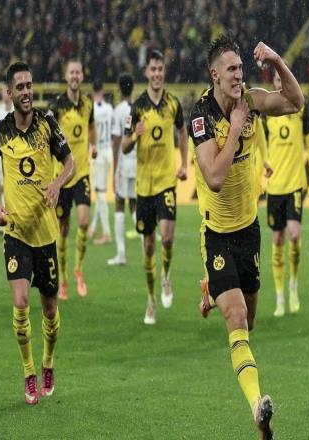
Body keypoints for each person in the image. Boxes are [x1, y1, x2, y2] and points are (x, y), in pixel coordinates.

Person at [188, 35, 304, 439]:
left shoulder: (251, 101)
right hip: (217, 234)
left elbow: (295, 102)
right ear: (214, 74)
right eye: (232, 69)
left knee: (249, 322)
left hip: (248, 231)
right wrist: (236, 128)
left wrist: (277, 60)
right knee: (236, 317)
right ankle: (258, 406)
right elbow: (214, 178)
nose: (239, 75)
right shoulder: (201, 116)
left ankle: (210, 288)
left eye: (241, 68)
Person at [0, 61, 74, 405]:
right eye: (19, 87)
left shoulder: (48, 124)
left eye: (29, 86)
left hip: (46, 235)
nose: (26, 92)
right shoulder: (0, 132)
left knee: (49, 310)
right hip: (16, 232)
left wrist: (57, 184)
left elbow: (71, 163)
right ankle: (30, 371)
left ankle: (48, 362)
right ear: (9, 92)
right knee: (20, 303)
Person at [122, 49, 188, 324]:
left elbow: (182, 131)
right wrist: (134, 137)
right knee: (149, 246)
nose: (157, 73)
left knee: (168, 238)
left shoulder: (173, 103)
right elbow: (124, 146)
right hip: (144, 187)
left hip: (166, 182)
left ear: (163, 71)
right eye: (153, 69)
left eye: (161, 69)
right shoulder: (137, 107)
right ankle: (151, 300)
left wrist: (184, 164)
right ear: (147, 72)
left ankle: (166, 277)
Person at [265, 70, 309, 317]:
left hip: (296, 183)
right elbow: (259, 146)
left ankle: (293, 285)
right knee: (277, 239)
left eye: (283, 80)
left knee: (294, 235)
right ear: (274, 83)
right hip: (275, 186)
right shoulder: (267, 112)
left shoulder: (300, 106)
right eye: (277, 80)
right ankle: (279, 297)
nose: (280, 84)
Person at [48, 60, 97, 300]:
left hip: (82, 172)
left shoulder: (88, 103)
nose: (75, 76)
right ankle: (64, 279)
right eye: (72, 72)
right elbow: (47, 135)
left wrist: (94, 145)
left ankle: (78, 269)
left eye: (78, 72)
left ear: (82, 75)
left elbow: (91, 127)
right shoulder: (57, 106)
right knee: (64, 230)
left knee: (84, 222)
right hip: (63, 175)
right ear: (66, 76)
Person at [107, 73, 137, 266]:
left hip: (124, 163)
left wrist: (115, 169)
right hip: (137, 162)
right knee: (134, 204)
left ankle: (121, 254)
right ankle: (146, 241)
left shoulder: (117, 111)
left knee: (119, 203)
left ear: (119, 88)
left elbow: (117, 141)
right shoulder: (138, 108)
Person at [89, 80, 114, 245]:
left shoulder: (91, 109)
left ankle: (106, 233)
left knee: (100, 193)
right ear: (103, 91)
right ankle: (93, 226)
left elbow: (90, 131)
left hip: (97, 152)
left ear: (92, 92)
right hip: (108, 151)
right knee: (101, 191)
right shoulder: (109, 109)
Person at [0, 84, 14, 231]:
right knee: (3, 187)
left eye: (6, 92)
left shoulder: (16, 109)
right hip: (2, 154)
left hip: (16, 154)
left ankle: (14, 218)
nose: (4, 95)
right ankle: (4, 220)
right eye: (3, 92)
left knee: (14, 188)